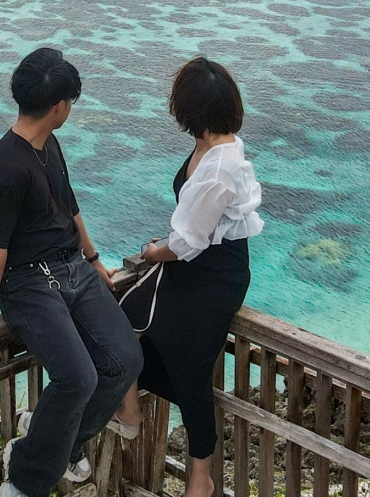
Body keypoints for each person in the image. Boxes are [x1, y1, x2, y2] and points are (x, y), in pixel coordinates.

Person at [0, 47, 143, 497]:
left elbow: (69, 205)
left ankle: (58, 440)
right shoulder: (7, 166)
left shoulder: (48, 144)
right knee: (78, 378)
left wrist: (93, 258)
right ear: (60, 106)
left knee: (125, 360)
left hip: (72, 265)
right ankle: (24, 480)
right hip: (27, 281)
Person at [114, 57, 264, 497]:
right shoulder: (212, 145)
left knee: (190, 367)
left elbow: (188, 243)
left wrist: (154, 251)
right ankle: (129, 409)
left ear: (187, 109)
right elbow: (198, 228)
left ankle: (201, 477)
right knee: (124, 318)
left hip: (214, 275)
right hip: (195, 263)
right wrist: (171, 244)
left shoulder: (218, 168)